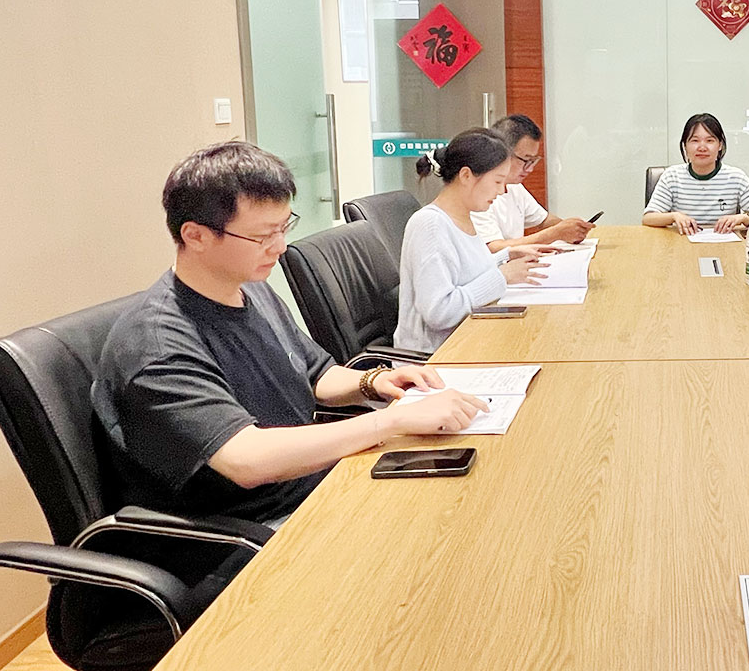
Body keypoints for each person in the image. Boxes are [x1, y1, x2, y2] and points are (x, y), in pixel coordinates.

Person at [93, 142, 492, 526]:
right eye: (262, 236)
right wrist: (392, 422)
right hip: (256, 525)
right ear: (196, 236)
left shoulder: (250, 289)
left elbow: (315, 374)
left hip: (316, 484)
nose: (280, 247)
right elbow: (246, 460)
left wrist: (375, 381)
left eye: (284, 228)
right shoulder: (157, 344)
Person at [397, 129, 555, 355]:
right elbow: (439, 313)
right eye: (498, 181)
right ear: (466, 176)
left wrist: (507, 256)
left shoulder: (464, 216)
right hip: (435, 359)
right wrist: (502, 276)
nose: (502, 191)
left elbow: (467, 274)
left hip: (471, 342)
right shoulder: (430, 225)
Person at [472, 113, 594, 251]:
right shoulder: (478, 192)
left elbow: (543, 220)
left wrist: (571, 228)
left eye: (533, 161)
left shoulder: (515, 187)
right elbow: (493, 248)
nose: (530, 169)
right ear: (502, 152)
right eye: (525, 160)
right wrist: (555, 233)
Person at [642, 112, 749, 235]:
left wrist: (743, 218)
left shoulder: (736, 177)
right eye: (695, 140)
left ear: (720, 145)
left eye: (710, 140)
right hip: (682, 245)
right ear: (685, 146)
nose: (702, 147)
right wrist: (674, 216)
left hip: (724, 245)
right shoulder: (672, 176)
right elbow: (648, 218)